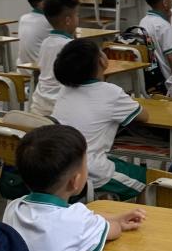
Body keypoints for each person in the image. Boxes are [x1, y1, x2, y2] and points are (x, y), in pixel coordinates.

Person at [2, 125, 145, 251]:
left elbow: (71, 218)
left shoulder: (14, 208)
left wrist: (110, 218)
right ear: (76, 181)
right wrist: (117, 223)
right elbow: (112, 231)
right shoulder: (78, 219)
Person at [52, 38, 149, 199]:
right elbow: (144, 116)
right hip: (92, 170)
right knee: (151, 182)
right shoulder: (111, 92)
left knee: (118, 163)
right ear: (101, 61)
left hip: (63, 166)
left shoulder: (65, 90)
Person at [29, 0, 78, 116]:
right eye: (77, 15)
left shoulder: (46, 43)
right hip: (60, 108)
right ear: (68, 20)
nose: (78, 19)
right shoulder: (71, 46)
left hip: (39, 105)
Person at [140, 0, 172, 78]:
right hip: (166, 79)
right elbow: (171, 57)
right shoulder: (163, 25)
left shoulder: (143, 22)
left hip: (151, 77)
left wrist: (168, 20)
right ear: (165, 1)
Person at [17, 0, 55, 66]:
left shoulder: (24, 18)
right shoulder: (50, 21)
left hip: (23, 69)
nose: (58, 1)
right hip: (41, 70)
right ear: (42, 3)